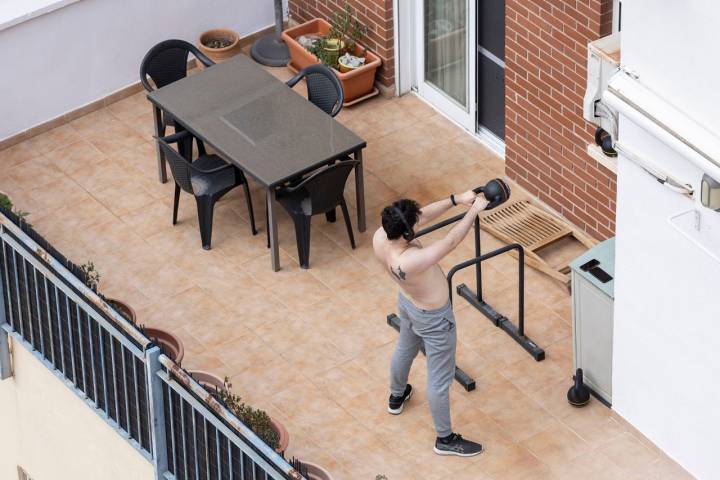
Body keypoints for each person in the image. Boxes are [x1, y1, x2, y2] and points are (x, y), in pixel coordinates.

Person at [373, 190, 487, 457]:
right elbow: (451, 241)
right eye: (415, 225)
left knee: (405, 347)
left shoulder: (382, 236)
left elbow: (420, 216)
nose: (418, 223)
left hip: (408, 302)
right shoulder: (410, 261)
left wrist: (455, 200)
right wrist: (474, 210)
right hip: (434, 319)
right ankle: (445, 439)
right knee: (439, 379)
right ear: (407, 235)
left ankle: (396, 396)